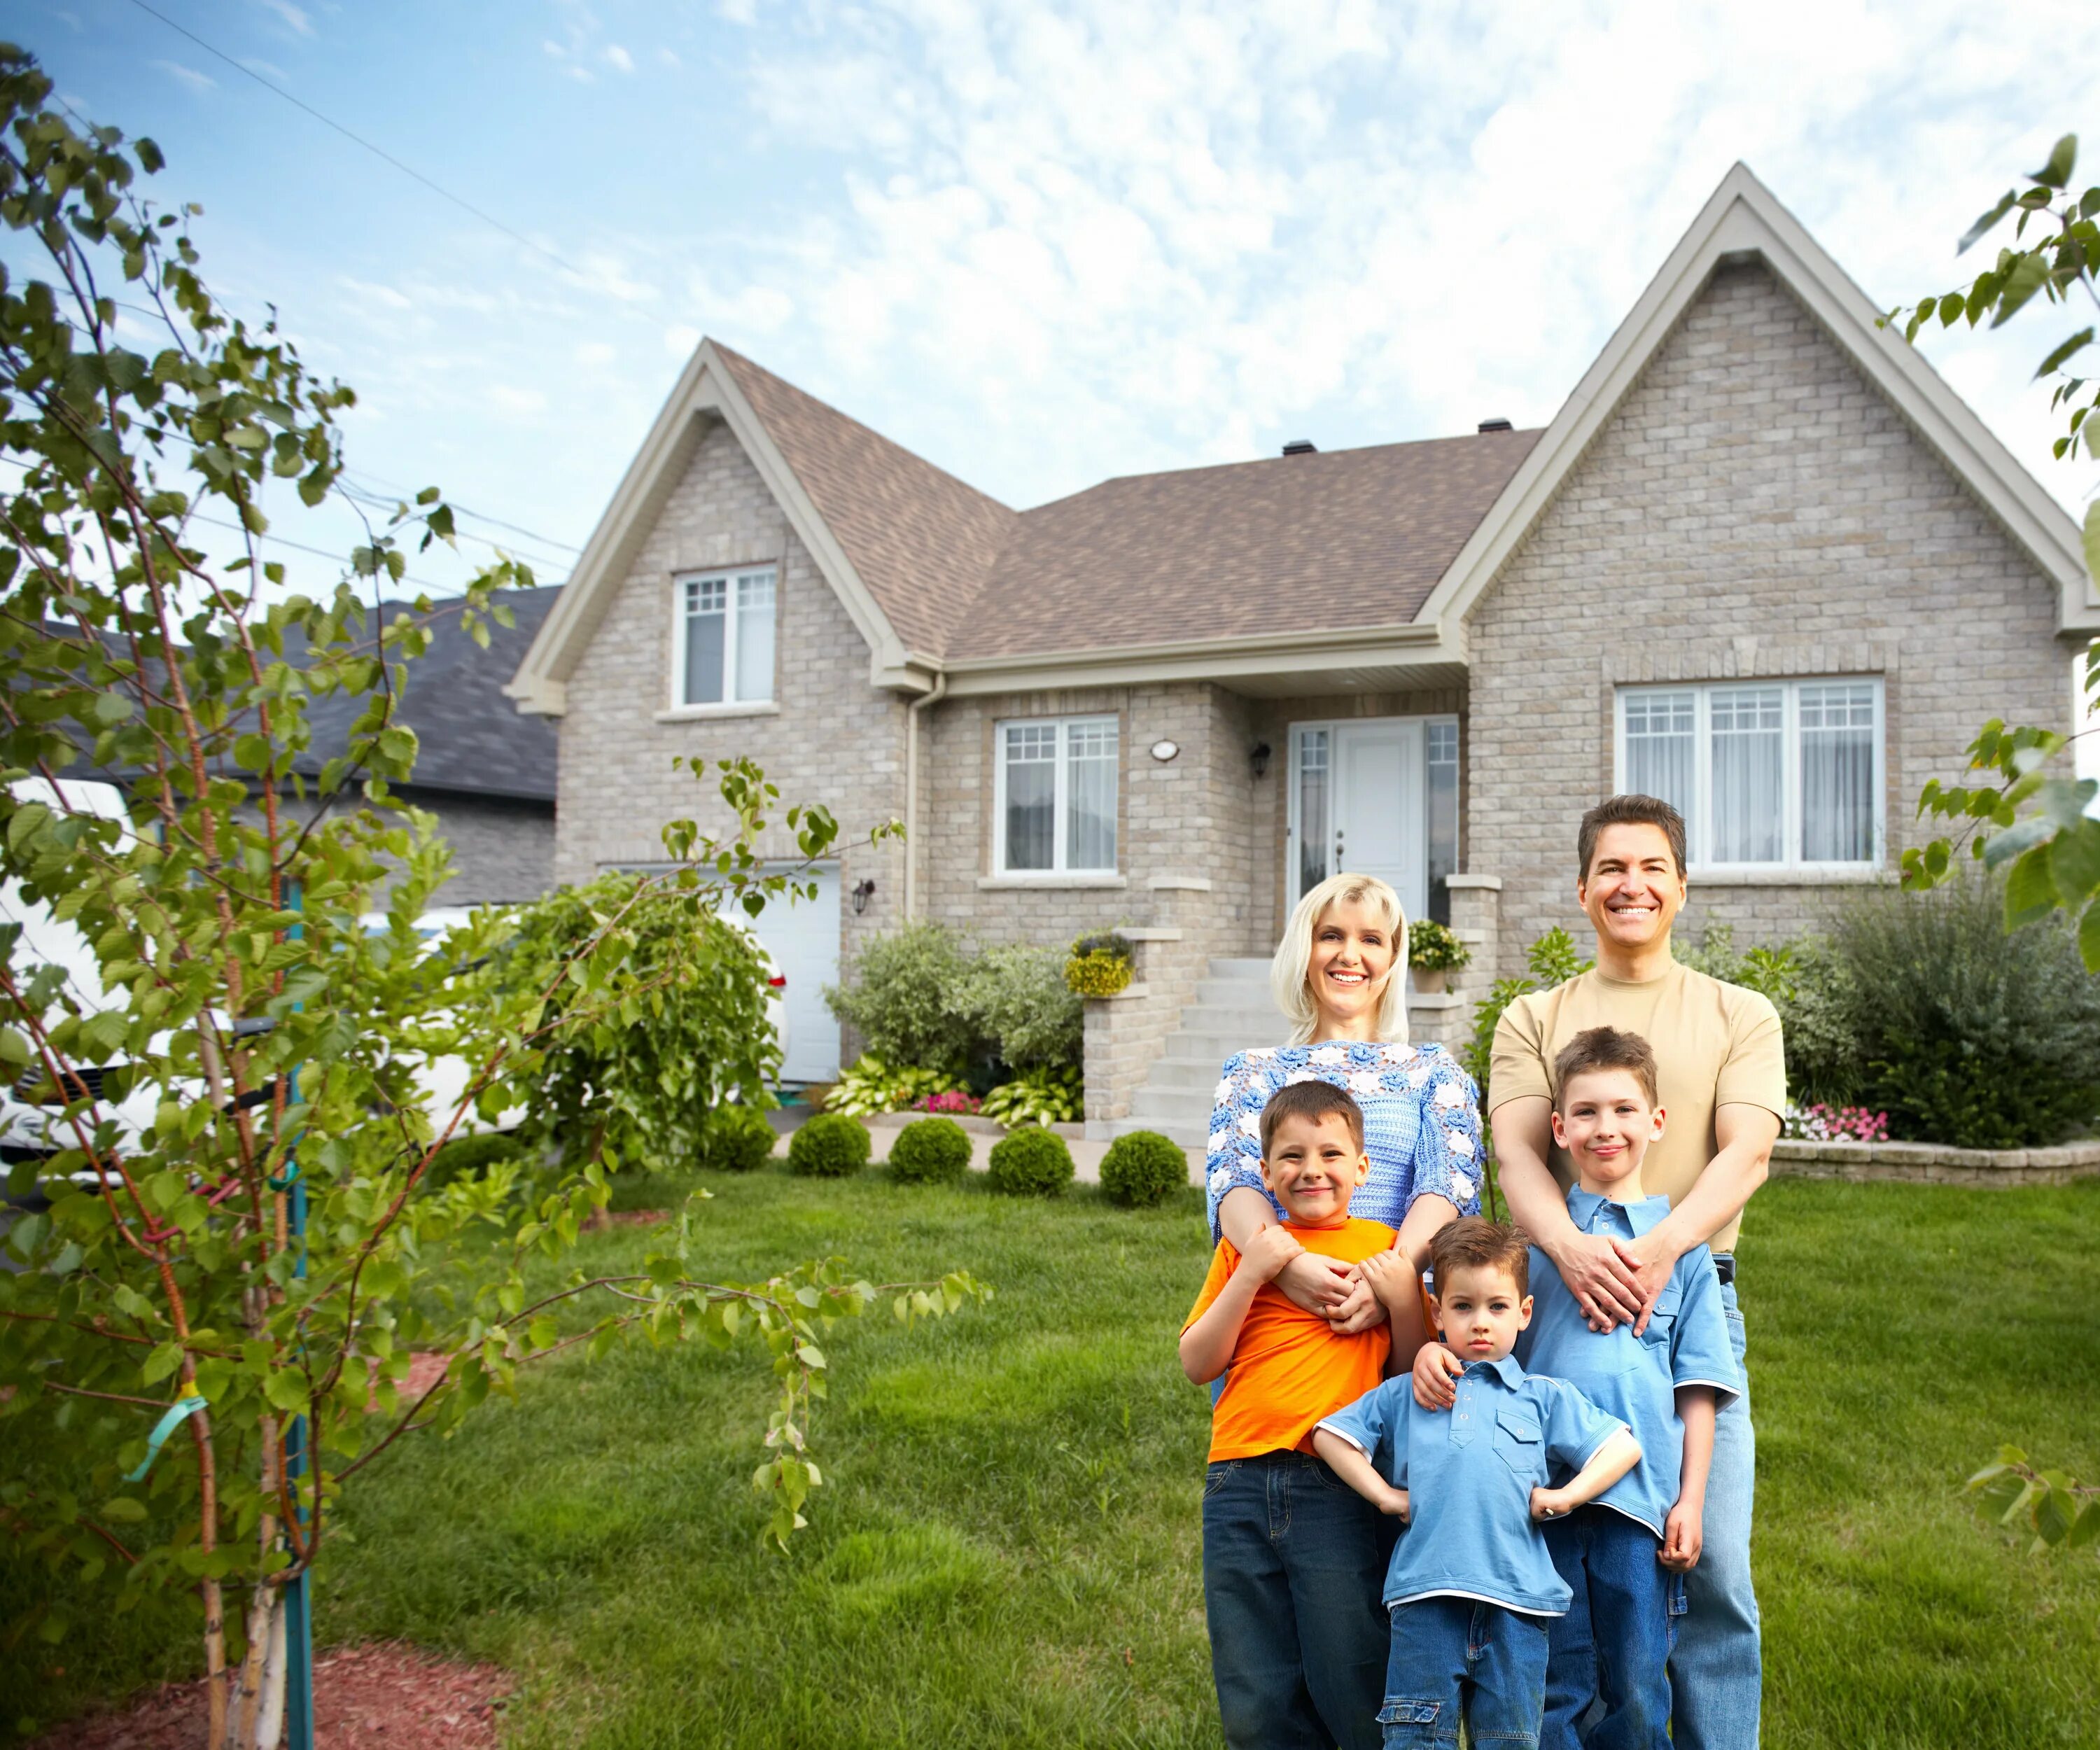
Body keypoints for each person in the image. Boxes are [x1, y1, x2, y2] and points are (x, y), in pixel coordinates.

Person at [1411, 794, 1783, 1750]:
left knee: (1709, 1569)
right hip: (1556, 1309)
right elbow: (1519, 1155)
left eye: (1653, 867)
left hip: (1689, 1300)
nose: (1633, 884)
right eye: (1613, 868)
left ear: (1682, 886)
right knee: (1553, 1557)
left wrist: (1658, 1254)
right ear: (1583, 889)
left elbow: (1744, 1155)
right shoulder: (1534, 1016)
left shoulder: (1740, 1014)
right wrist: (1572, 1253)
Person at [1313, 1218, 1639, 1750]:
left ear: (1524, 1313)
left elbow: (1622, 1447)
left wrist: (1565, 1497)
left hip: (1516, 1606)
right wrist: (1385, 1495)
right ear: (1437, 1312)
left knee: (1509, 1740)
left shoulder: (1542, 1397)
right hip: (1426, 1600)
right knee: (1415, 1739)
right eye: (1462, 1307)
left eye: (1497, 1307)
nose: (1480, 1323)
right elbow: (1331, 1436)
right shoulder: (1409, 1393)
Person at [1181, 1080, 1427, 1750]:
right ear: (1264, 1173)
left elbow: (1408, 1379)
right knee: (1255, 1682)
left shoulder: (1383, 1247)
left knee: (1349, 1668)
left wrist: (1404, 1299)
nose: (1311, 1170)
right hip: (1236, 1479)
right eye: (1290, 1156)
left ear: (1362, 1168)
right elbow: (1198, 1361)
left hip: (1337, 1485)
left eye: (1330, 1153)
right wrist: (1251, 1273)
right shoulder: (1248, 1251)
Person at [1516, 1026, 1740, 1750]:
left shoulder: (1684, 1253)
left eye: (1622, 1109)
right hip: (1541, 1502)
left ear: (1656, 1121)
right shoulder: (1532, 1251)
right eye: (1584, 1112)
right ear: (1558, 1127)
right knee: (1553, 1680)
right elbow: (1472, 1344)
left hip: (1640, 1508)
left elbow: (1697, 1389)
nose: (1604, 1127)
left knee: (1640, 1684)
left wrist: (1692, 1500)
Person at [1208, 872, 1483, 1345]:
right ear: (1304, 950)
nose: (1349, 955)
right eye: (1330, 936)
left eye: (1371, 939)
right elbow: (1235, 1185)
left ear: (1393, 959)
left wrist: (1388, 1282)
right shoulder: (1252, 1072)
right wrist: (1290, 1267)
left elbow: (1445, 1188)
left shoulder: (1433, 1072)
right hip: (1279, 1320)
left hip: (1399, 1324)